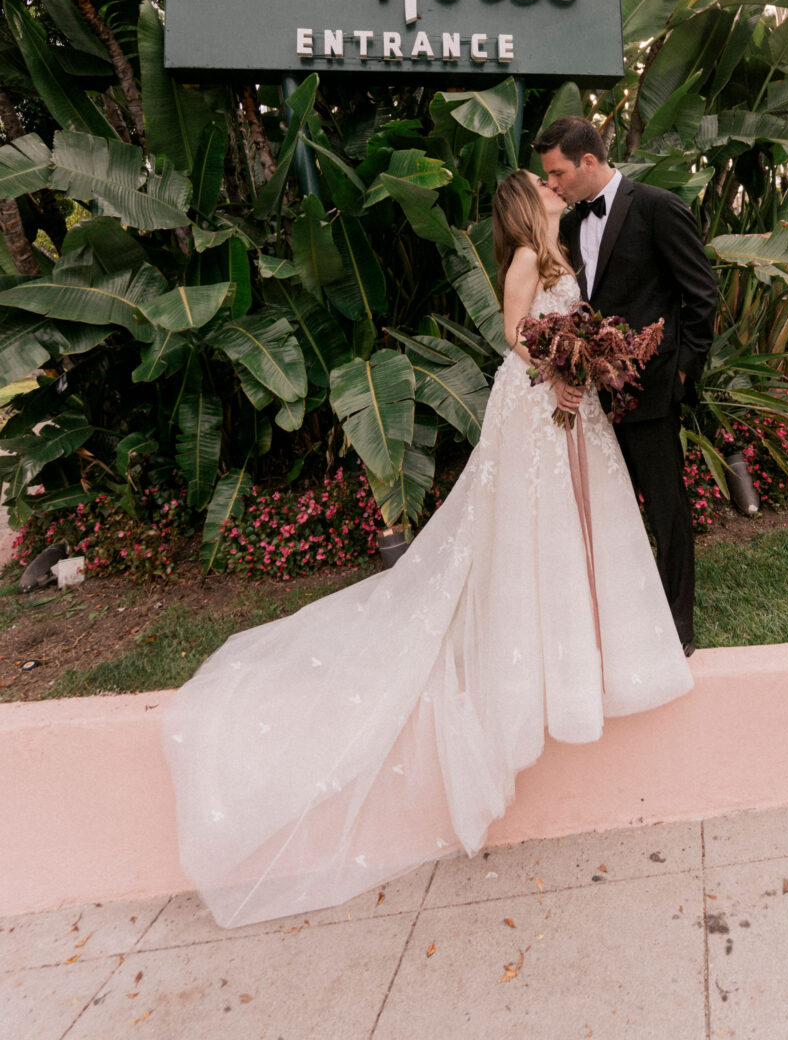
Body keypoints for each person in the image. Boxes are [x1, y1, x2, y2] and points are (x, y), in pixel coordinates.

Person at [162, 168, 693, 929]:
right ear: (522, 203)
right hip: (537, 400)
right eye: (542, 184)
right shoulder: (520, 263)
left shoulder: (561, 257)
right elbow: (513, 338)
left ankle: (594, 640)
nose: (553, 187)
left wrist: (587, 364)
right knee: (532, 524)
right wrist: (561, 371)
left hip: (572, 404)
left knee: (583, 521)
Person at [532, 117, 719, 656]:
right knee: (610, 509)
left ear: (588, 161)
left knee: (666, 509)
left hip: (653, 387)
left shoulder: (656, 206)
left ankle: (678, 626)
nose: (554, 185)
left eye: (559, 172)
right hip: (592, 396)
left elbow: (701, 296)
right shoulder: (568, 225)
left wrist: (681, 372)